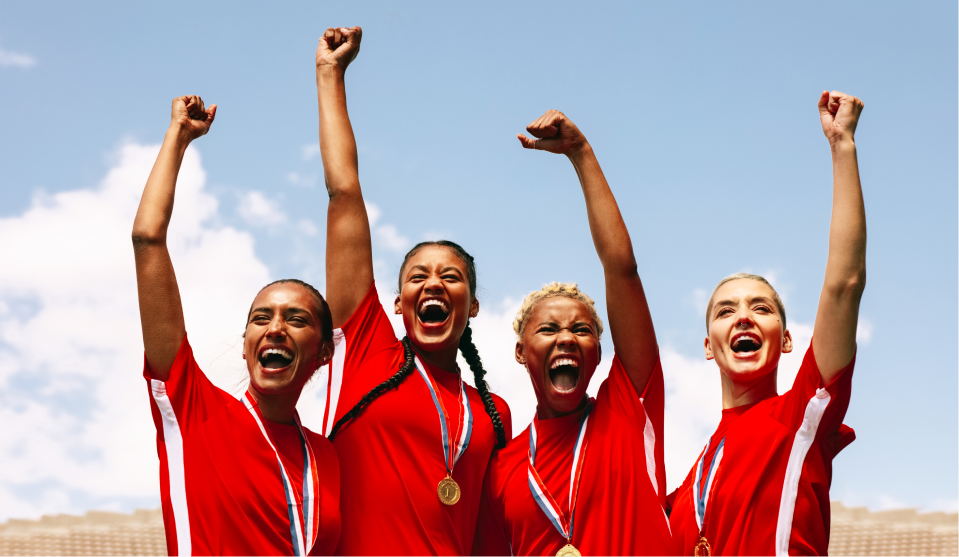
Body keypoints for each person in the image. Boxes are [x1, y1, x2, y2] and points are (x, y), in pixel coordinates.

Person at [315, 27, 512, 556]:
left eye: (452, 277)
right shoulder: (364, 348)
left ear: (472, 306)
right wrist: (330, 76)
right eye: (417, 275)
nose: (434, 284)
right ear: (397, 302)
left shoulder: (494, 414)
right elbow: (344, 193)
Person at [133, 95, 341, 556]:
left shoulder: (326, 457)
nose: (274, 328)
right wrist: (179, 138)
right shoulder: (197, 412)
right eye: (261, 318)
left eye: (296, 319)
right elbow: (147, 240)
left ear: (324, 351)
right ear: (246, 345)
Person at [665, 91, 866, 556]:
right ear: (708, 346)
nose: (743, 317)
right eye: (725, 310)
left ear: (787, 340)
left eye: (761, 307)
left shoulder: (800, 416)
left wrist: (843, 147)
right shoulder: (690, 482)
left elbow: (845, 284)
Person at [472, 110, 672, 557]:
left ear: (598, 354)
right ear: (522, 353)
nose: (566, 337)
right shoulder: (503, 467)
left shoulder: (627, 410)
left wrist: (580, 153)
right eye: (549, 328)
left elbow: (622, 270)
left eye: (581, 330)